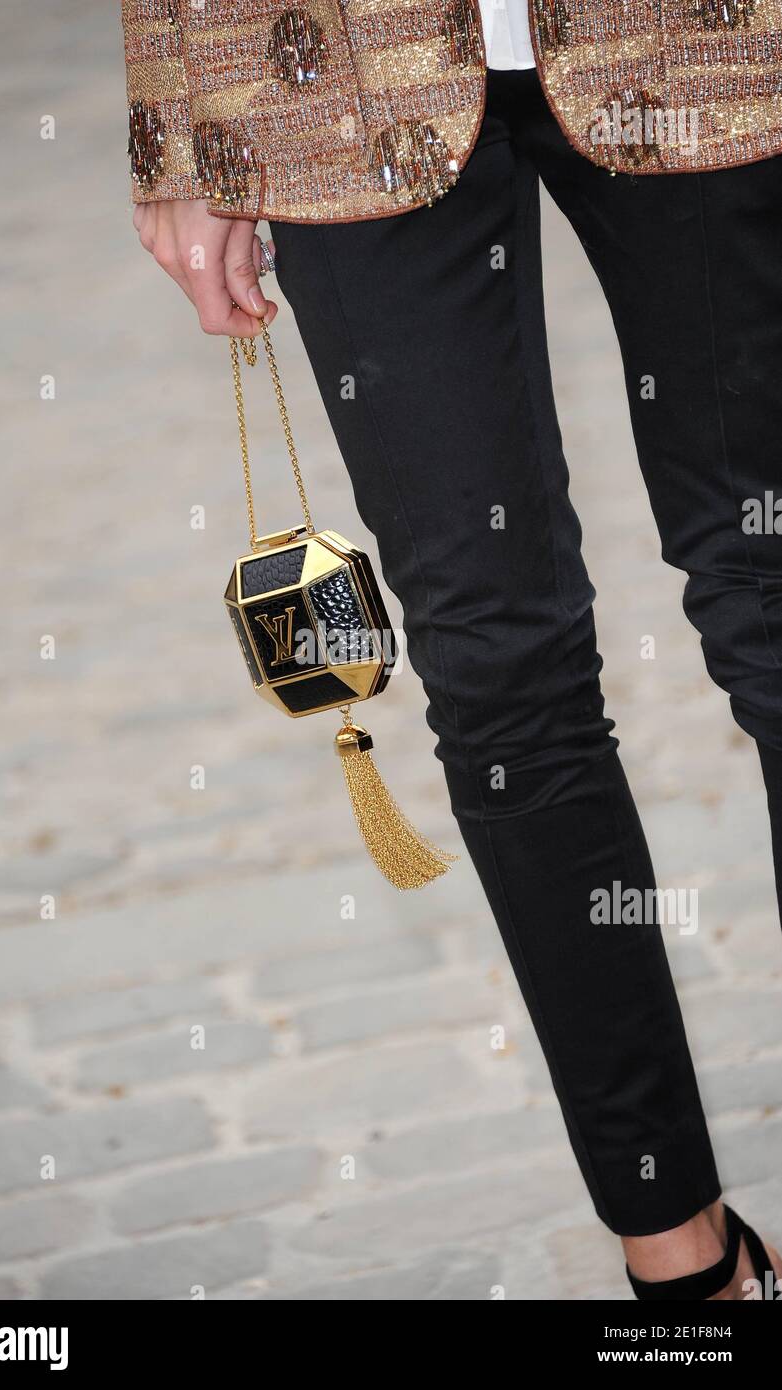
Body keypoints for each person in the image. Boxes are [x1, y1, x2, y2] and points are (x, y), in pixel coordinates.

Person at [120, 0, 782, 1300]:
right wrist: (172, 124)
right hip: (322, 67)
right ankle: (683, 1266)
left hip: (702, 40)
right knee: (495, 663)